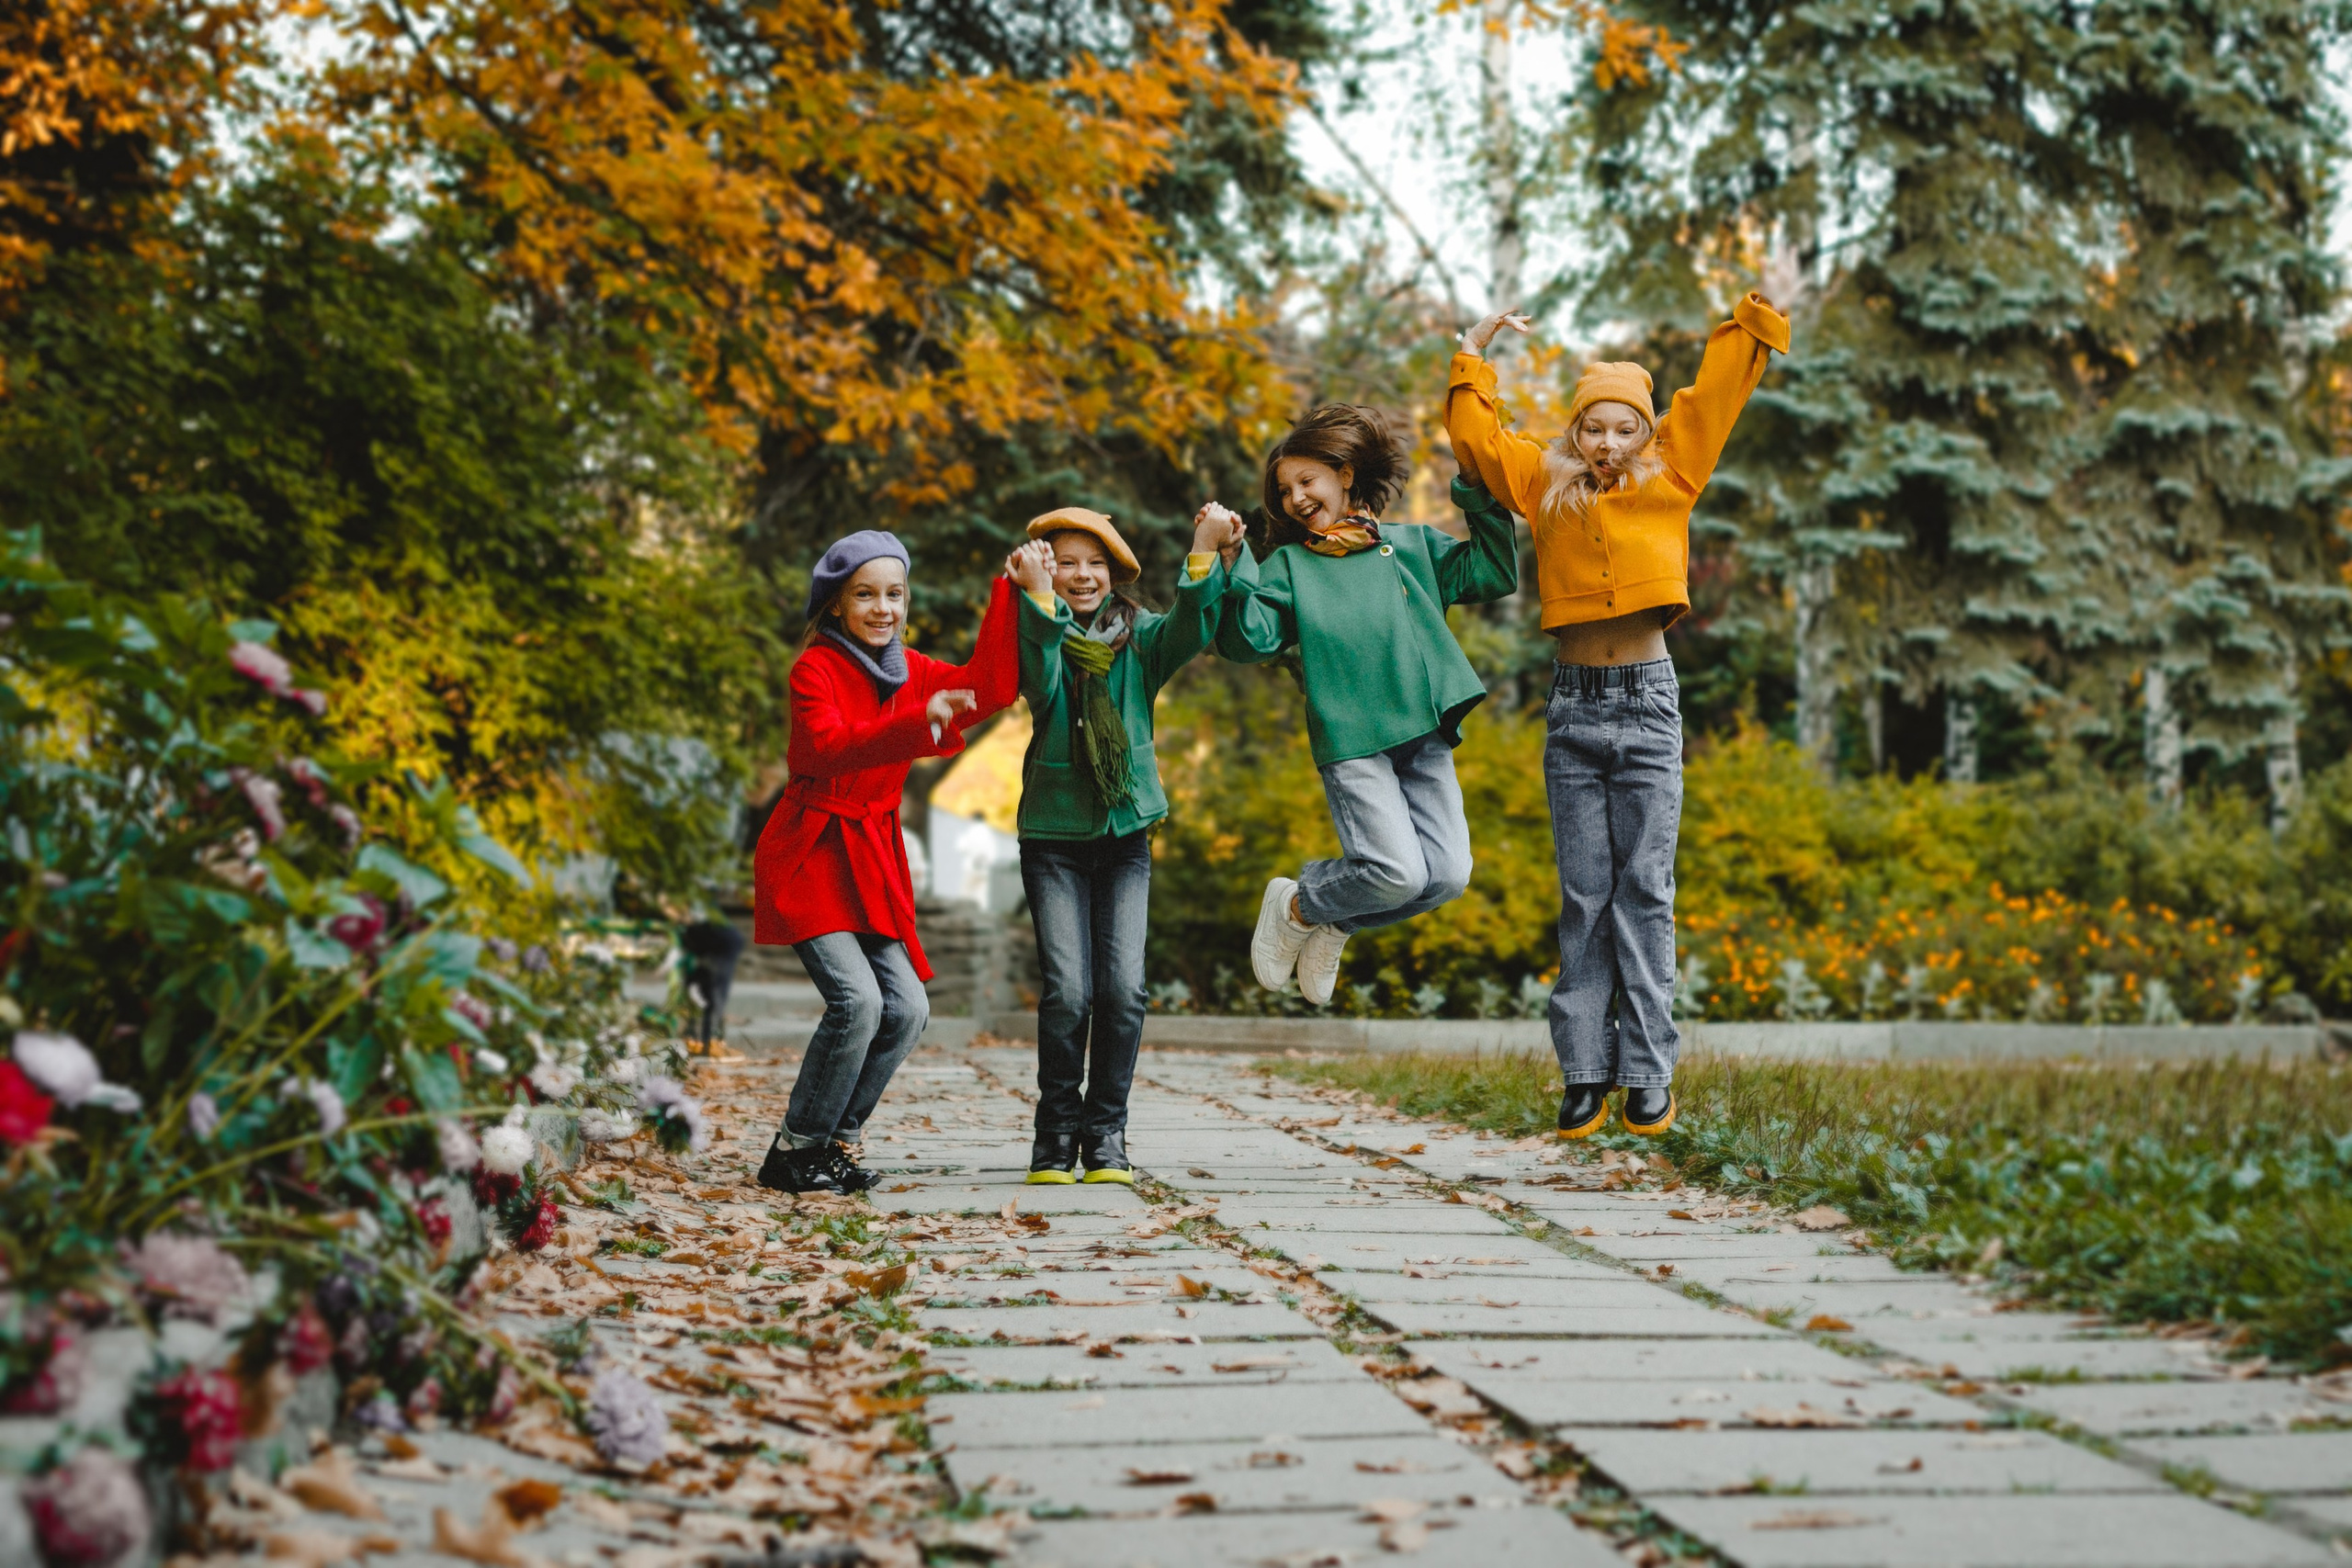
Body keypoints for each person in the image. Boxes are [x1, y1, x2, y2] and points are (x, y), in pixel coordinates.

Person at [1446, 290, 1790, 1138]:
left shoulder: (1675, 474)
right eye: (1592, 428)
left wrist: (1748, 326)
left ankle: (1645, 1071)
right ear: (1574, 433)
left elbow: (1713, 397)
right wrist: (1473, 352)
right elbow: (1476, 440)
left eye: (1623, 428)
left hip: (1647, 703)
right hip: (1573, 710)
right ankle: (1583, 1071)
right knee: (1584, 893)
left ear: (1644, 433)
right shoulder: (1544, 485)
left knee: (1644, 889)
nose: (1606, 442)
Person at [1219, 404, 1520, 1007]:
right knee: (1399, 872)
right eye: (1284, 490)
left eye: (1307, 481)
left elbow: (1491, 571)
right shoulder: (1289, 566)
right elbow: (1244, 640)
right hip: (1354, 739)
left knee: (1447, 875)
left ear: (1345, 475)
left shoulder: (1410, 547)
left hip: (1424, 733)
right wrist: (1233, 563)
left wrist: (1474, 488)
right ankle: (1298, 903)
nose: (1296, 497)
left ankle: (1332, 918)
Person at [752, 531, 1022, 1194]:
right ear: (838, 605)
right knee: (858, 1000)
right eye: (865, 595)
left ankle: (836, 1141)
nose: (882, 608)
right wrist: (913, 723)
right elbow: (827, 746)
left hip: (869, 857)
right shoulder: (814, 669)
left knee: (908, 1008)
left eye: (894, 594)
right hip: (812, 849)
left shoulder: (913, 671)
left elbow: (990, 688)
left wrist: (1009, 592)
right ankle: (794, 1147)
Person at [1006, 504, 1246, 1185]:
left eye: (1095, 562)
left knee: (1124, 989)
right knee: (1068, 992)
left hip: (1125, 834)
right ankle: (1054, 1134)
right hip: (1052, 837)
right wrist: (1040, 598)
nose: (1083, 574)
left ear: (1114, 573)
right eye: (1067, 561)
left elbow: (1195, 622)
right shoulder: (1040, 632)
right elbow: (1041, 687)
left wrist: (1203, 547)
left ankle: (1104, 1131)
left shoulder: (1140, 640)